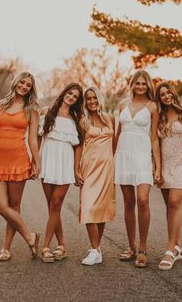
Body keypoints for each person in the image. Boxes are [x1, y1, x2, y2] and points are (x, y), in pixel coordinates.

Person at [0, 72, 41, 261]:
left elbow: (33, 139)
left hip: (19, 160)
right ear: (16, 82)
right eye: (22, 82)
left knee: (14, 205)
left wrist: (37, 162)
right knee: (0, 205)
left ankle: (6, 249)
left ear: (31, 89)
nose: (24, 86)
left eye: (28, 85)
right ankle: (29, 236)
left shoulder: (31, 110)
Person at [114, 69, 161, 268]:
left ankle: (143, 247)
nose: (140, 86)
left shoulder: (153, 107)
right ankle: (131, 246)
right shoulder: (122, 104)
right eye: (137, 83)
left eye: (144, 83)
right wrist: (110, 158)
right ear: (132, 84)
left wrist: (157, 167)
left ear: (148, 85)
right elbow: (117, 134)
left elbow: (154, 138)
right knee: (128, 202)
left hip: (142, 157)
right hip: (124, 156)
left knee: (142, 200)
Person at [38, 83, 83, 262]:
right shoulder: (46, 112)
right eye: (70, 93)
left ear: (77, 101)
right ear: (64, 93)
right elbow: (37, 138)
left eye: (75, 97)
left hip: (64, 163)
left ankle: (46, 246)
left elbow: (79, 146)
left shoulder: (75, 118)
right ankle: (62, 245)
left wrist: (76, 169)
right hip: (48, 161)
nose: (71, 97)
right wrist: (36, 162)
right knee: (52, 207)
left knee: (56, 205)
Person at [75, 86, 116, 266]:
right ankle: (94, 249)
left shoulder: (110, 119)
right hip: (89, 167)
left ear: (99, 99)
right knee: (89, 206)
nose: (92, 101)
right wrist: (76, 169)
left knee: (101, 208)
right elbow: (79, 146)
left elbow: (114, 144)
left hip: (106, 168)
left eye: (94, 98)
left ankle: (97, 249)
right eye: (88, 99)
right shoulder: (82, 120)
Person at [155, 82, 182, 270]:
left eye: (168, 92)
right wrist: (157, 168)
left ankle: (170, 250)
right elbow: (155, 144)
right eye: (162, 94)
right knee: (170, 207)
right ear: (159, 98)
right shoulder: (159, 116)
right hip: (165, 166)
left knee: (175, 203)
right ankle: (177, 246)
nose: (166, 95)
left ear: (173, 93)